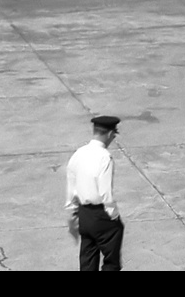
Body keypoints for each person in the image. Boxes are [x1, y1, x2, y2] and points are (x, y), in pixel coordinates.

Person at [64, 114, 124, 271]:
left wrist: (73, 214)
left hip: (84, 214)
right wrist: (114, 216)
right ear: (110, 134)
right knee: (111, 262)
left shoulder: (78, 153)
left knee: (88, 260)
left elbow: (71, 187)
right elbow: (105, 192)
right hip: (101, 216)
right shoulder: (104, 157)